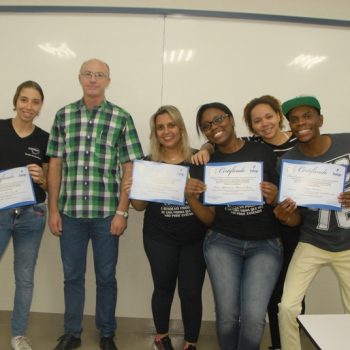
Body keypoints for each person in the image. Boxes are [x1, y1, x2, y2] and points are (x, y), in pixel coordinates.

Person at [46, 58, 143, 350]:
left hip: (106, 215)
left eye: (99, 75)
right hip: (71, 214)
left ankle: (106, 333)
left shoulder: (121, 117)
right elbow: (55, 165)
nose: (93, 79)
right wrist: (53, 210)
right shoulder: (63, 116)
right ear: (79, 78)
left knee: (106, 277)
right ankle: (72, 333)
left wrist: (122, 211)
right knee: (72, 276)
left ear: (108, 81)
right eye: (88, 74)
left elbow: (130, 167)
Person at [186, 102, 283, 350]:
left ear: (230, 119)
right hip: (222, 243)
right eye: (206, 125)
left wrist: (276, 196)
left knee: (252, 318)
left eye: (218, 119)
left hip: (265, 244)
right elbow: (208, 218)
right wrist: (190, 197)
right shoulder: (204, 162)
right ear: (203, 132)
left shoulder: (262, 152)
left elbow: (281, 202)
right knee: (227, 316)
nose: (214, 127)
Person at [124, 105, 207, 350]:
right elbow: (138, 206)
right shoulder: (148, 164)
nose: (166, 131)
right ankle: (161, 337)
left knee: (191, 293)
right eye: (160, 127)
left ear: (180, 128)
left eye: (171, 125)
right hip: (159, 237)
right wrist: (132, 189)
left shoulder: (198, 159)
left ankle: (190, 342)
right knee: (163, 289)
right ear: (155, 133)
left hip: (194, 238)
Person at [274, 95, 350, 350]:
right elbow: (295, 218)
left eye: (307, 116)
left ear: (320, 119)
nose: (301, 123)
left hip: (349, 243)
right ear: (290, 126)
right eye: (294, 120)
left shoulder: (347, 141)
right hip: (313, 240)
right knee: (287, 307)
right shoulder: (287, 162)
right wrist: (285, 216)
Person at [242, 95, 304, 350]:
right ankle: (278, 345)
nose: (264, 123)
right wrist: (206, 149)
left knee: (294, 295)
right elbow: (218, 144)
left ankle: (292, 345)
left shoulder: (300, 141)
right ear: (251, 126)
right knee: (271, 292)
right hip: (266, 229)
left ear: (279, 115)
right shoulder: (253, 145)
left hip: (297, 226)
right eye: (257, 121)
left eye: (269, 116)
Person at [0, 81, 49, 350]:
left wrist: (42, 179)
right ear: (16, 100)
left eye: (35, 101)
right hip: (0, 213)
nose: (28, 106)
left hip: (32, 215)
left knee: (25, 277)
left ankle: (18, 334)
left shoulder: (44, 139)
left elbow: (51, 185)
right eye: (24, 100)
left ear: (40, 106)